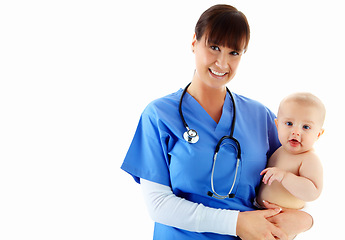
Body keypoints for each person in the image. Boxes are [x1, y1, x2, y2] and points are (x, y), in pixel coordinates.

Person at [121, 4, 313, 240]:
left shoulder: (261, 117)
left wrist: (306, 220)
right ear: (194, 42)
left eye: (234, 52)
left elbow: (296, 183)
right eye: (214, 47)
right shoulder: (159, 115)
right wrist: (236, 223)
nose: (222, 63)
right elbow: (158, 204)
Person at [257, 93, 325, 210]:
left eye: (306, 127)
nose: (296, 132)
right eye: (289, 124)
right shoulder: (278, 151)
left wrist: (285, 177)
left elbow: (313, 192)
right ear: (277, 126)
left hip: (285, 221)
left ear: (318, 134)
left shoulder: (309, 159)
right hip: (259, 212)